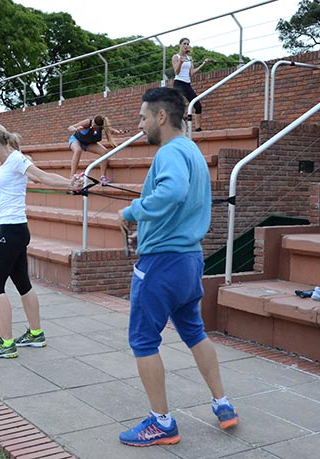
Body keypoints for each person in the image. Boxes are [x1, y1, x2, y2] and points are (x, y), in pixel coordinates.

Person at [117, 87, 238, 447]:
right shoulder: (193, 151)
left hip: (162, 264)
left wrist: (131, 211)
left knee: (142, 340)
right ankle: (223, 404)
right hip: (189, 260)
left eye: (142, 118)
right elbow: (177, 195)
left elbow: (171, 192)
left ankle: (162, 423)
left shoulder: (170, 152)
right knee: (194, 332)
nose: (140, 126)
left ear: (161, 116)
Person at [0, 121, 81, 359]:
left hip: (12, 232)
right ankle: (35, 334)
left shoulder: (16, 159)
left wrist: (70, 183)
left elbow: (41, 176)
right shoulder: (9, 162)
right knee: (22, 283)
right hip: (14, 230)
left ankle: (6, 344)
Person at [68, 115, 122, 183]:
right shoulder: (87, 122)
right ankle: (72, 176)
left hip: (88, 143)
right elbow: (70, 127)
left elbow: (109, 130)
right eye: (93, 124)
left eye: (96, 126)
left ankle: (103, 177)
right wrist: (75, 129)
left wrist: (118, 132)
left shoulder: (102, 126)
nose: (93, 126)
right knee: (78, 150)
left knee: (104, 152)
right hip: (76, 140)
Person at [172, 37, 211, 132]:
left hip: (187, 84)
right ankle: (179, 127)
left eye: (187, 44)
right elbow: (176, 72)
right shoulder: (175, 57)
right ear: (180, 45)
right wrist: (180, 62)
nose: (186, 46)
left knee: (197, 105)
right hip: (178, 83)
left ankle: (198, 128)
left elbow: (192, 72)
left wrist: (203, 64)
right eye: (184, 44)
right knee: (181, 105)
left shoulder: (190, 58)